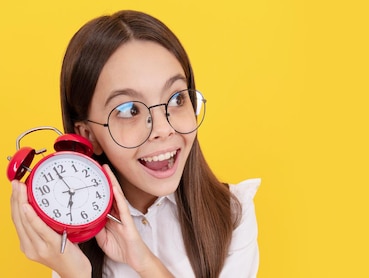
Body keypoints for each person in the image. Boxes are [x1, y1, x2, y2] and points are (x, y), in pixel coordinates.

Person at [9, 10, 260, 277]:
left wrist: (143, 260)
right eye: (129, 110)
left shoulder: (232, 214)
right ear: (88, 135)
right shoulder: (70, 243)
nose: (163, 129)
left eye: (176, 98)